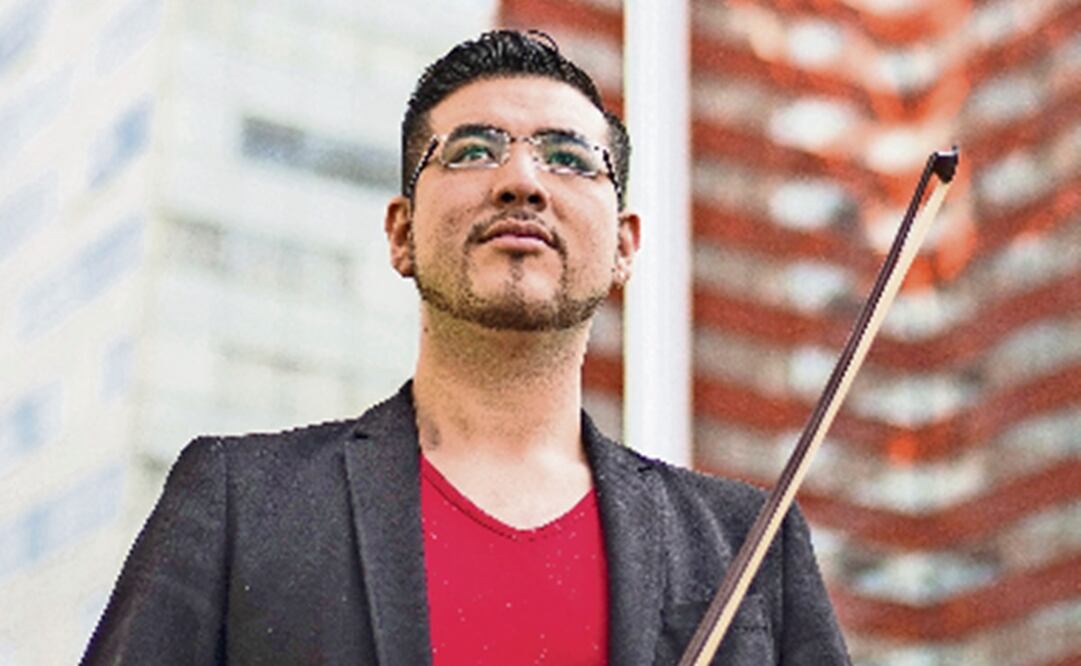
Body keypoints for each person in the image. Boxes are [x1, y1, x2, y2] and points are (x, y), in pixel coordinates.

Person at [82, 30, 849, 665]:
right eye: (472, 150)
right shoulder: (238, 501)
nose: (521, 180)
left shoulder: (749, 547)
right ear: (400, 232)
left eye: (571, 158)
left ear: (623, 247)